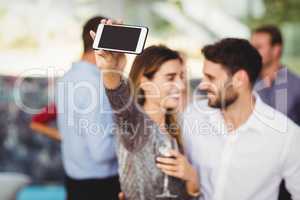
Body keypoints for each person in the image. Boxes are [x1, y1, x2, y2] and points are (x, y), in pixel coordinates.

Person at [90, 19, 200, 200]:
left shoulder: (177, 125)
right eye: (171, 77)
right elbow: (118, 96)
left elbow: (189, 194)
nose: (181, 85)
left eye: (181, 76)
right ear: (145, 83)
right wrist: (110, 69)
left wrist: (192, 177)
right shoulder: (135, 125)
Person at [182, 38, 300, 200]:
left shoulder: (287, 135)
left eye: (211, 78)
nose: (203, 85)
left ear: (239, 79)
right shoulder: (192, 116)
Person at [56, 16, 120, 200]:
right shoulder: (97, 85)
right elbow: (101, 152)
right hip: (100, 185)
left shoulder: (67, 77)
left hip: (74, 179)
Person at [251, 25, 300, 200]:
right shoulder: (246, 84)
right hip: (253, 172)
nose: (252, 52)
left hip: (286, 178)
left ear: (276, 49)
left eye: (258, 47)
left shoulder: (296, 86)